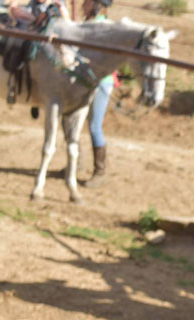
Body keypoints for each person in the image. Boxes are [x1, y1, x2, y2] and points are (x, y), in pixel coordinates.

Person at [82, 0, 115, 187]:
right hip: (85, 81)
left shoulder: (102, 27)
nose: (81, 4)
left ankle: (100, 172)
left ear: (96, 4)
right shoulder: (89, 23)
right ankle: (76, 163)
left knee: (94, 126)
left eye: (86, 1)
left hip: (100, 82)